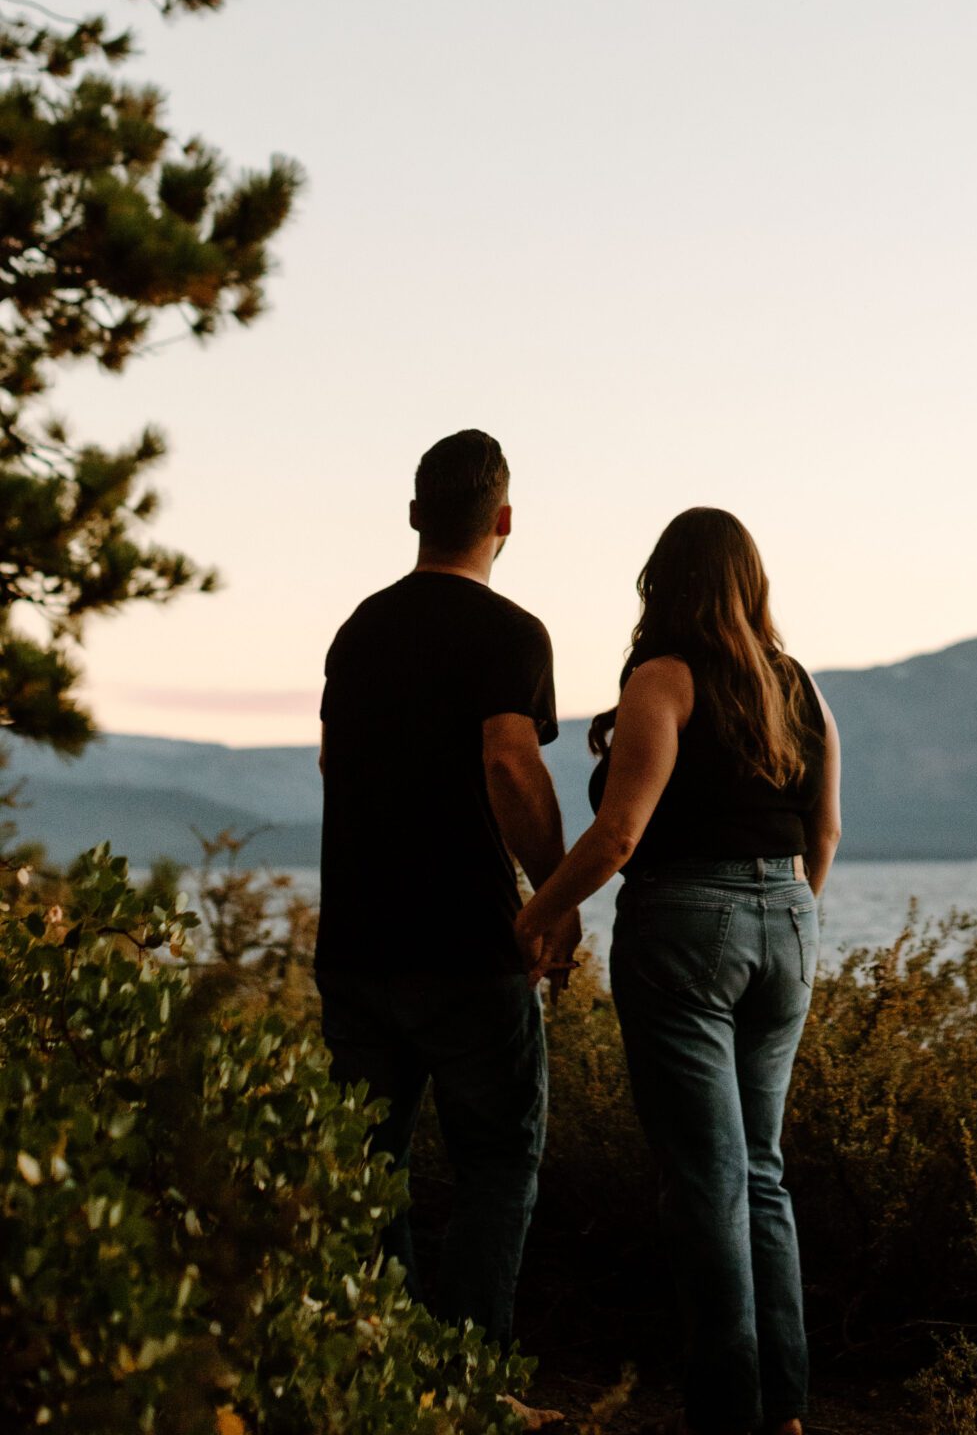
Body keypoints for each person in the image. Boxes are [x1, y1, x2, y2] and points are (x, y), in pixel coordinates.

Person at [516, 507, 842, 1435]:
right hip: (790, 919)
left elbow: (620, 834)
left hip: (686, 923)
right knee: (762, 1172)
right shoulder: (799, 687)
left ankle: (726, 1413)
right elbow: (824, 832)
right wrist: (780, 916)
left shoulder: (663, 677)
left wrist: (534, 916)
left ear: (661, 584)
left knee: (707, 1179)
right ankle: (784, 1410)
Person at [316, 428, 565, 1366]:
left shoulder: (360, 628)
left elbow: (334, 764)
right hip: (467, 945)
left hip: (356, 944)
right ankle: (467, 1380)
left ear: (416, 513)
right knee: (496, 1162)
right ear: (504, 521)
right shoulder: (512, 633)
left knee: (364, 1168)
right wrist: (555, 896)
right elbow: (510, 762)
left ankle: (378, 1378)